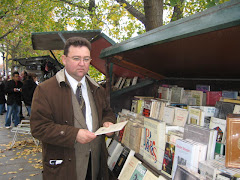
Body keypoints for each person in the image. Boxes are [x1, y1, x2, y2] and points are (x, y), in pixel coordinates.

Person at [30, 37, 116, 180]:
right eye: (76, 58)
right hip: (65, 169)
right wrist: (73, 134)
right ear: (64, 59)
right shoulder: (45, 90)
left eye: (86, 59)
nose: (82, 64)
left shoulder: (98, 89)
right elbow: (38, 128)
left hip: (95, 166)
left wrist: (108, 122)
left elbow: (107, 112)